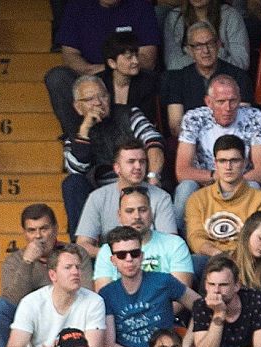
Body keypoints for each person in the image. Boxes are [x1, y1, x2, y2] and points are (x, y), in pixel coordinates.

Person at [62, 73, 164, 234]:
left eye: (103, 96)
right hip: (100, 194)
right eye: (89, 100)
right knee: (72, 183)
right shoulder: (76, 132)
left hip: (138, 185)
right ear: (77, 107)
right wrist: (84, 131)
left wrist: (152, 176)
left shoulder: (128, 114)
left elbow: (154, 143)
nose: (98, 103)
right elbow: (75, 170)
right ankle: (82, 249)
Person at [43, 0, 162, 135]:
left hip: (126, 75)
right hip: (90, 74)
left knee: (144, 78)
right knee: (57, 77)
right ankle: (79, 139)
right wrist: (94, 71)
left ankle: (134, 137)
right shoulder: (77, 6)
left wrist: (117, 70)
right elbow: (70, 54)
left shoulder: (140, 6)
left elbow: (148, 59)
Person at [94, 225, 200, 347]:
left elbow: (202, 306)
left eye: (134, 253)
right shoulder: (107, 293)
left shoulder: (163, 281)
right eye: (121, 255)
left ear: (142, 256)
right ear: (113, 260)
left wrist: (187, 342)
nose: (129, 259)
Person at [170, 74, 261, 221]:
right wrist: (216, 177)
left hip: (242, 181)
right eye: (221, 102)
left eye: (233, 101)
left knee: (254, 186)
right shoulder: (194, 118)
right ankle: (180, 239)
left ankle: (250, 240)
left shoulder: (254, 117)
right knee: (186, 188)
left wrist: (231, 182)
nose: (227, 108)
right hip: (204, 182)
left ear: (240, 99)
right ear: (208, 102)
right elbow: (182, 171)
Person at [74, 140, 177, 258]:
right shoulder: (97, 197)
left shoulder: (161, 197)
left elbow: (171, 244)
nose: (138, 166)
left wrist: (137, 257)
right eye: (131, 162)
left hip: (153, 263)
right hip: (110, 264)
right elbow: (82, 245)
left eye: (142, 162)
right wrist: (118, 256)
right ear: (117, 168)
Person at [0, 205, 62, 347]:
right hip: (28, 318)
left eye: (44, 229)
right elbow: (12, 300)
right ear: (24, 233)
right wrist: (27, 262)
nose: (38, 236)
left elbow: (85, 291)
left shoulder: (73, 253)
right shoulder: (14, 260)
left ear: (55, 229)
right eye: (31, 230)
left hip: (64, 313)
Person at [183, 134, 261, 261]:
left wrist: (234, 257)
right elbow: (195, 237)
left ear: (244, 162)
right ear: (215, 163)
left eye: (234, 160)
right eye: (222, 161)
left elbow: (260, 240)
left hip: (247, 260)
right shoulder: (197, 199)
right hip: (210, 258)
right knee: (192, 263)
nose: (228, 167)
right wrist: (218, 254)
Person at [185, 255, 261, 347]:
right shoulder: (201, 306)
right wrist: (219, 314)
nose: (216, 290)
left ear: (237, 285)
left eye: (223, 285)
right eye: (211, 284)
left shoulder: (257, 300)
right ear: (205, 285)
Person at [164, 0, 248, 72]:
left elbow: (241, 63)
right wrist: (214, 55)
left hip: (224, 81)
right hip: (187, 82)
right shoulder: (175, 17)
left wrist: (195, 54)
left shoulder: (231, 15)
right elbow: (172, 65)